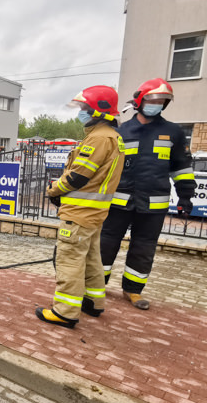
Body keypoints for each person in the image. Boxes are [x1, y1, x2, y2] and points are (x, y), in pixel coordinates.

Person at [100, 78, 196, 311]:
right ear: (140, 101)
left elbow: (182, 167)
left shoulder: (173, 132)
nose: (157, 104)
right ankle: (96, 285)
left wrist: (185, 197)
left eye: (162, 101)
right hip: (119, 202)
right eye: (153, 100)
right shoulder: (121, 131)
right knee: (105, 243)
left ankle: (133, 290)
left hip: (153, 204)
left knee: (144, 248)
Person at [35, 85, 124, 329]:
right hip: (94, 214)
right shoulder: (112, 137)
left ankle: (65, 311)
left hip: (79, 213)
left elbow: (78, 176)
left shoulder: (98, 139)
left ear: (99, 111)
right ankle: (93, 302)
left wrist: (54, 190)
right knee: (92, 258)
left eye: (85, 108)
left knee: (70, 261)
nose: (81, 112)